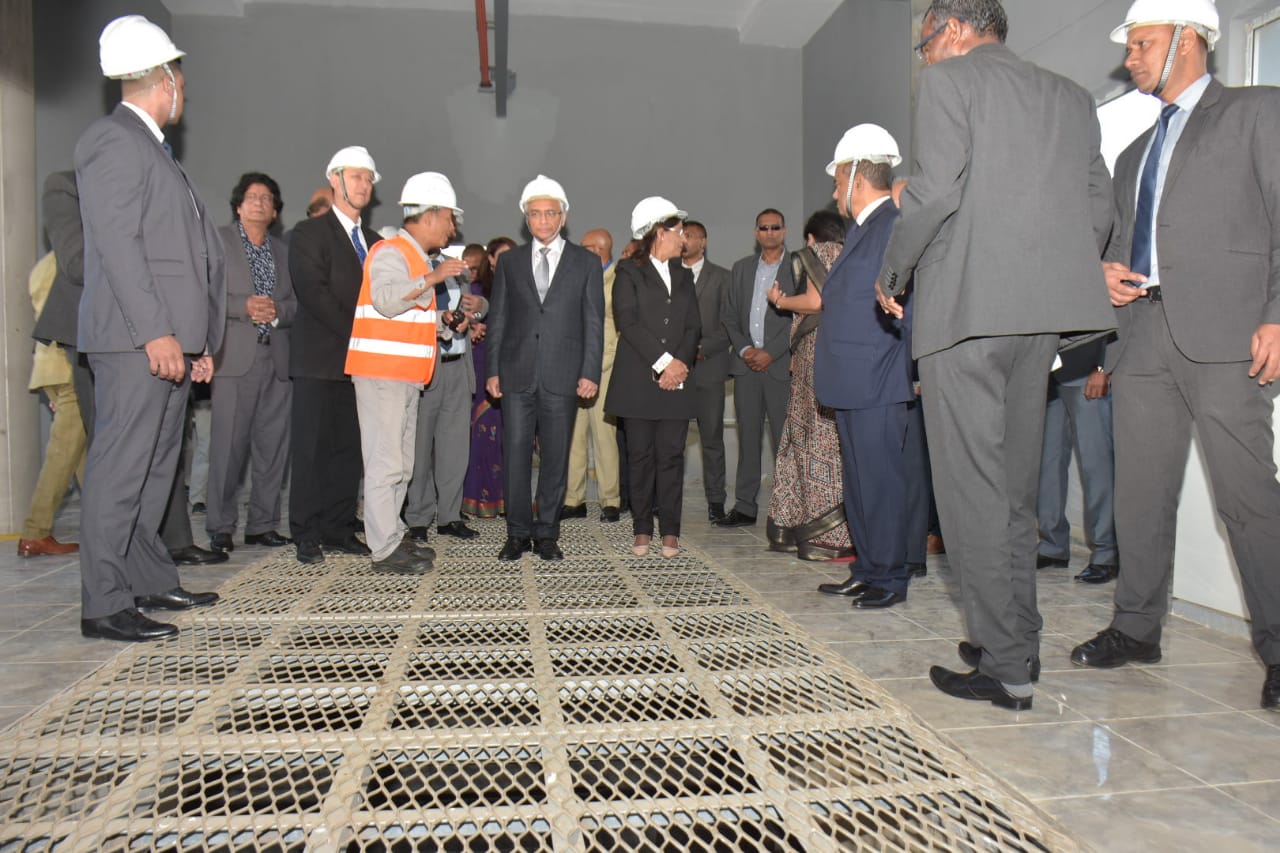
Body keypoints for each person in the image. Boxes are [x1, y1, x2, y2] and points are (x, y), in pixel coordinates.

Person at [877, 0, 1115, 709]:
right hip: (1040, 323)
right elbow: (1099, 207)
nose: (925, 58)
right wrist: (1057, 274)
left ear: (951, 31)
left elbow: (933, 193)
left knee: (969, 495)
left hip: (965, 315)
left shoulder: (950, 82)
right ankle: (1017, 640)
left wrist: (893, 273)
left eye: (925, 44)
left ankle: (1005, 666)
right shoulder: (1071, 97)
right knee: (1014, 493)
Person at [1070, 0, 1280, 712]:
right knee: (1141, 494)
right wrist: (1102, 273)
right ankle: (1136, 629)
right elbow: (1117, 243)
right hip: (1142, 336)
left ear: (1189, 40)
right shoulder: (1133, 152)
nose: (1130, 57)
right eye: (1130, 45)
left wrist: (1277, 314)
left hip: (1228, 337)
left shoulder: (1257, 113)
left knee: (1248, 499)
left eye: (1143, 43)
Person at [75, 15, 225, 642]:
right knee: (121, 469)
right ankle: (105, 602)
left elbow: (183, 256)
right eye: (180, 79)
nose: (183, 91)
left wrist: (197, 343)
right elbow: (119, 247)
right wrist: (156, 333)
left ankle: (146, 578)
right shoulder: (113, 141)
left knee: (156, 471)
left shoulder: (153, 148)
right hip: (135, 340)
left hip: (167, 341)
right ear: (164, 79)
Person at [794, 125, 916, 607]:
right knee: (860, 484)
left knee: (881, 484)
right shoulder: (865, 229)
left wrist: (905, 369)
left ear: (857, 178)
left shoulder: (893, 226)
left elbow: (906, 304)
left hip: (876, 380)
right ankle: (867, 568)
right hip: (853, 382)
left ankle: (890, 578)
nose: (833, 191)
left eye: (837, 180)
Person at [347, 171, 467, 574]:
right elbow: (384, 300)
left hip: (404, 376)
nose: (452, 228)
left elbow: (408, 316)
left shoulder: (415, 258)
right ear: (430, 216)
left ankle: (393, 535)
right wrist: (432, 278)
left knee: (401, 463)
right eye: (449, 218)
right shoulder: (390, 252)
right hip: (383, 373)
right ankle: (383, 549)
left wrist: (443, 323)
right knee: (386, 462)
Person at [485, 176, 605, 562]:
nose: (543, 220)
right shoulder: (509, 261)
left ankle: (548, 532)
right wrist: (492, 370)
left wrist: (589, 372)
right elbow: (498, 319)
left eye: (550, 213)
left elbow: (594, 322)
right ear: (526, 218)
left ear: (563, 216)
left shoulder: (586, 262)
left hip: (563, 374)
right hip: (516, 373)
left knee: (556, 458)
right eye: (535, 214)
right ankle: (517, 533)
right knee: (515, 456)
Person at [288, 146, 382, 564]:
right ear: (335, 179)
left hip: (362, 365)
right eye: (356, 176)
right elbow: (315, 294)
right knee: (312, 449)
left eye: (368, 179)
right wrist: (363, 334)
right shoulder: (309, 234)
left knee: (350, 450)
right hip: (319, 360)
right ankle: (306, 532)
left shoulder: (376, 243)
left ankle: (339, 527)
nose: (363, 185)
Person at [606, 198, 701, 558]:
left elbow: (693, 326)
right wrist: (665, 363)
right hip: (638, 381)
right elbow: (628, 322)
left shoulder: (684, 275)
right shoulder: (628, 272)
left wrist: (678, 365)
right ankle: (642, 529)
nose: (684, 239)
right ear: (660, 232)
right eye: (679, 232)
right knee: (640, 457)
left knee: (671, 456)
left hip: (676, 380)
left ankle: (671, 532)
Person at [206, 172, 296, 553]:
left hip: (277, 359)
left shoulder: (284, 252)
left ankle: (263, 524)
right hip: (234, 360)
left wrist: (278, 312)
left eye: (267, 199)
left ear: (275, 212)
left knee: (272, 448)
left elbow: (296, 304)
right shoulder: (218, 242)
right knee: (228, 448)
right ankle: (220, 525)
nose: (259, 203)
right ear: (239, 206)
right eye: (252, 197)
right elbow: (204, 296)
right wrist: (242, 306)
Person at [762, 210, 852, 561]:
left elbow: (816, 302)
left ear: (812, 237)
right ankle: (827, 531)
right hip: (835, 356)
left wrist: (780, 300)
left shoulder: (819, 253)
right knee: (827, 443)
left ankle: (817, 534)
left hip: (814, 361)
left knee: (810, 442)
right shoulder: (853, 253)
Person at [403, 230, 490, 545]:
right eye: (442, 222)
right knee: (419, 449)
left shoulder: (456, 267)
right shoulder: (410, 267)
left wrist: (478, 308)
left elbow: (477, 308)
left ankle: (450, 516)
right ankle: (418, 517)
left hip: (458, 367)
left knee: (455, 449)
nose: (448, 229)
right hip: (426, 367)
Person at [716, 209, 795, 527]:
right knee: (747, 439)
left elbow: (801, 316)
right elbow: (729, 315)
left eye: (775, 227)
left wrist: (770, 353)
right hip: (746, 366)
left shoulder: (797, 268)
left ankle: (787, 510)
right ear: (756, 232)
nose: (770, 232)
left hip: (780, 366)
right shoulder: (741, 268)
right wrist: (747, 349)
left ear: (784, 231)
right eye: (764, 228)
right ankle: (745, 507)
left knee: (783, 441)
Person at [19, 250, 86, 558]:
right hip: (68, 366)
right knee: (63, 453)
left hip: (49, 366)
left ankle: (109, 526)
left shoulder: (43, 264)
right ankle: (36, 532)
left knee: (82, 454)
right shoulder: (71, 261)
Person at [1036, 338, 1118, 583]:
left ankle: (1106, 553)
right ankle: (1052, 546)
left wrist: (1104, 368)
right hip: (1048, 376)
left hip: (1088, 373)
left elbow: (1116, 323)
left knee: (1097, 466)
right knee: (1047, 465)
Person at [564, 228, 623, 523]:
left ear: (598, 249)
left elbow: (621, 329)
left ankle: (610, 500)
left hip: (605, 369)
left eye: (584, 246)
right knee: (573, 436)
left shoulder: (619, 281)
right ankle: (572, 499)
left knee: (604, 437)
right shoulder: (577, 277)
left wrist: (599, 366)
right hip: (573, 368)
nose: (578, 250)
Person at [681, 221, 732, 522]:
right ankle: (666, 499)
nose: (684, 240)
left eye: (690, 236)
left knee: (711, 438)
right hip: (674, 370)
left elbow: (729, 324)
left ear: (704, 242)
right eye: (681, 235)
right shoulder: (667, 274)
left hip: (708, 368)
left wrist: (701, 348)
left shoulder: (722, 277)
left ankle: (716, 501)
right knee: (672, 440)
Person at [461, 241, 506, 518]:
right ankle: (475, 497)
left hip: (508, 369)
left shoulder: (514, 288)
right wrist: (471, 328)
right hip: (478, 366)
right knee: (479, 437)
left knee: (504, 439)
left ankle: (506, 498)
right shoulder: (474, 292)